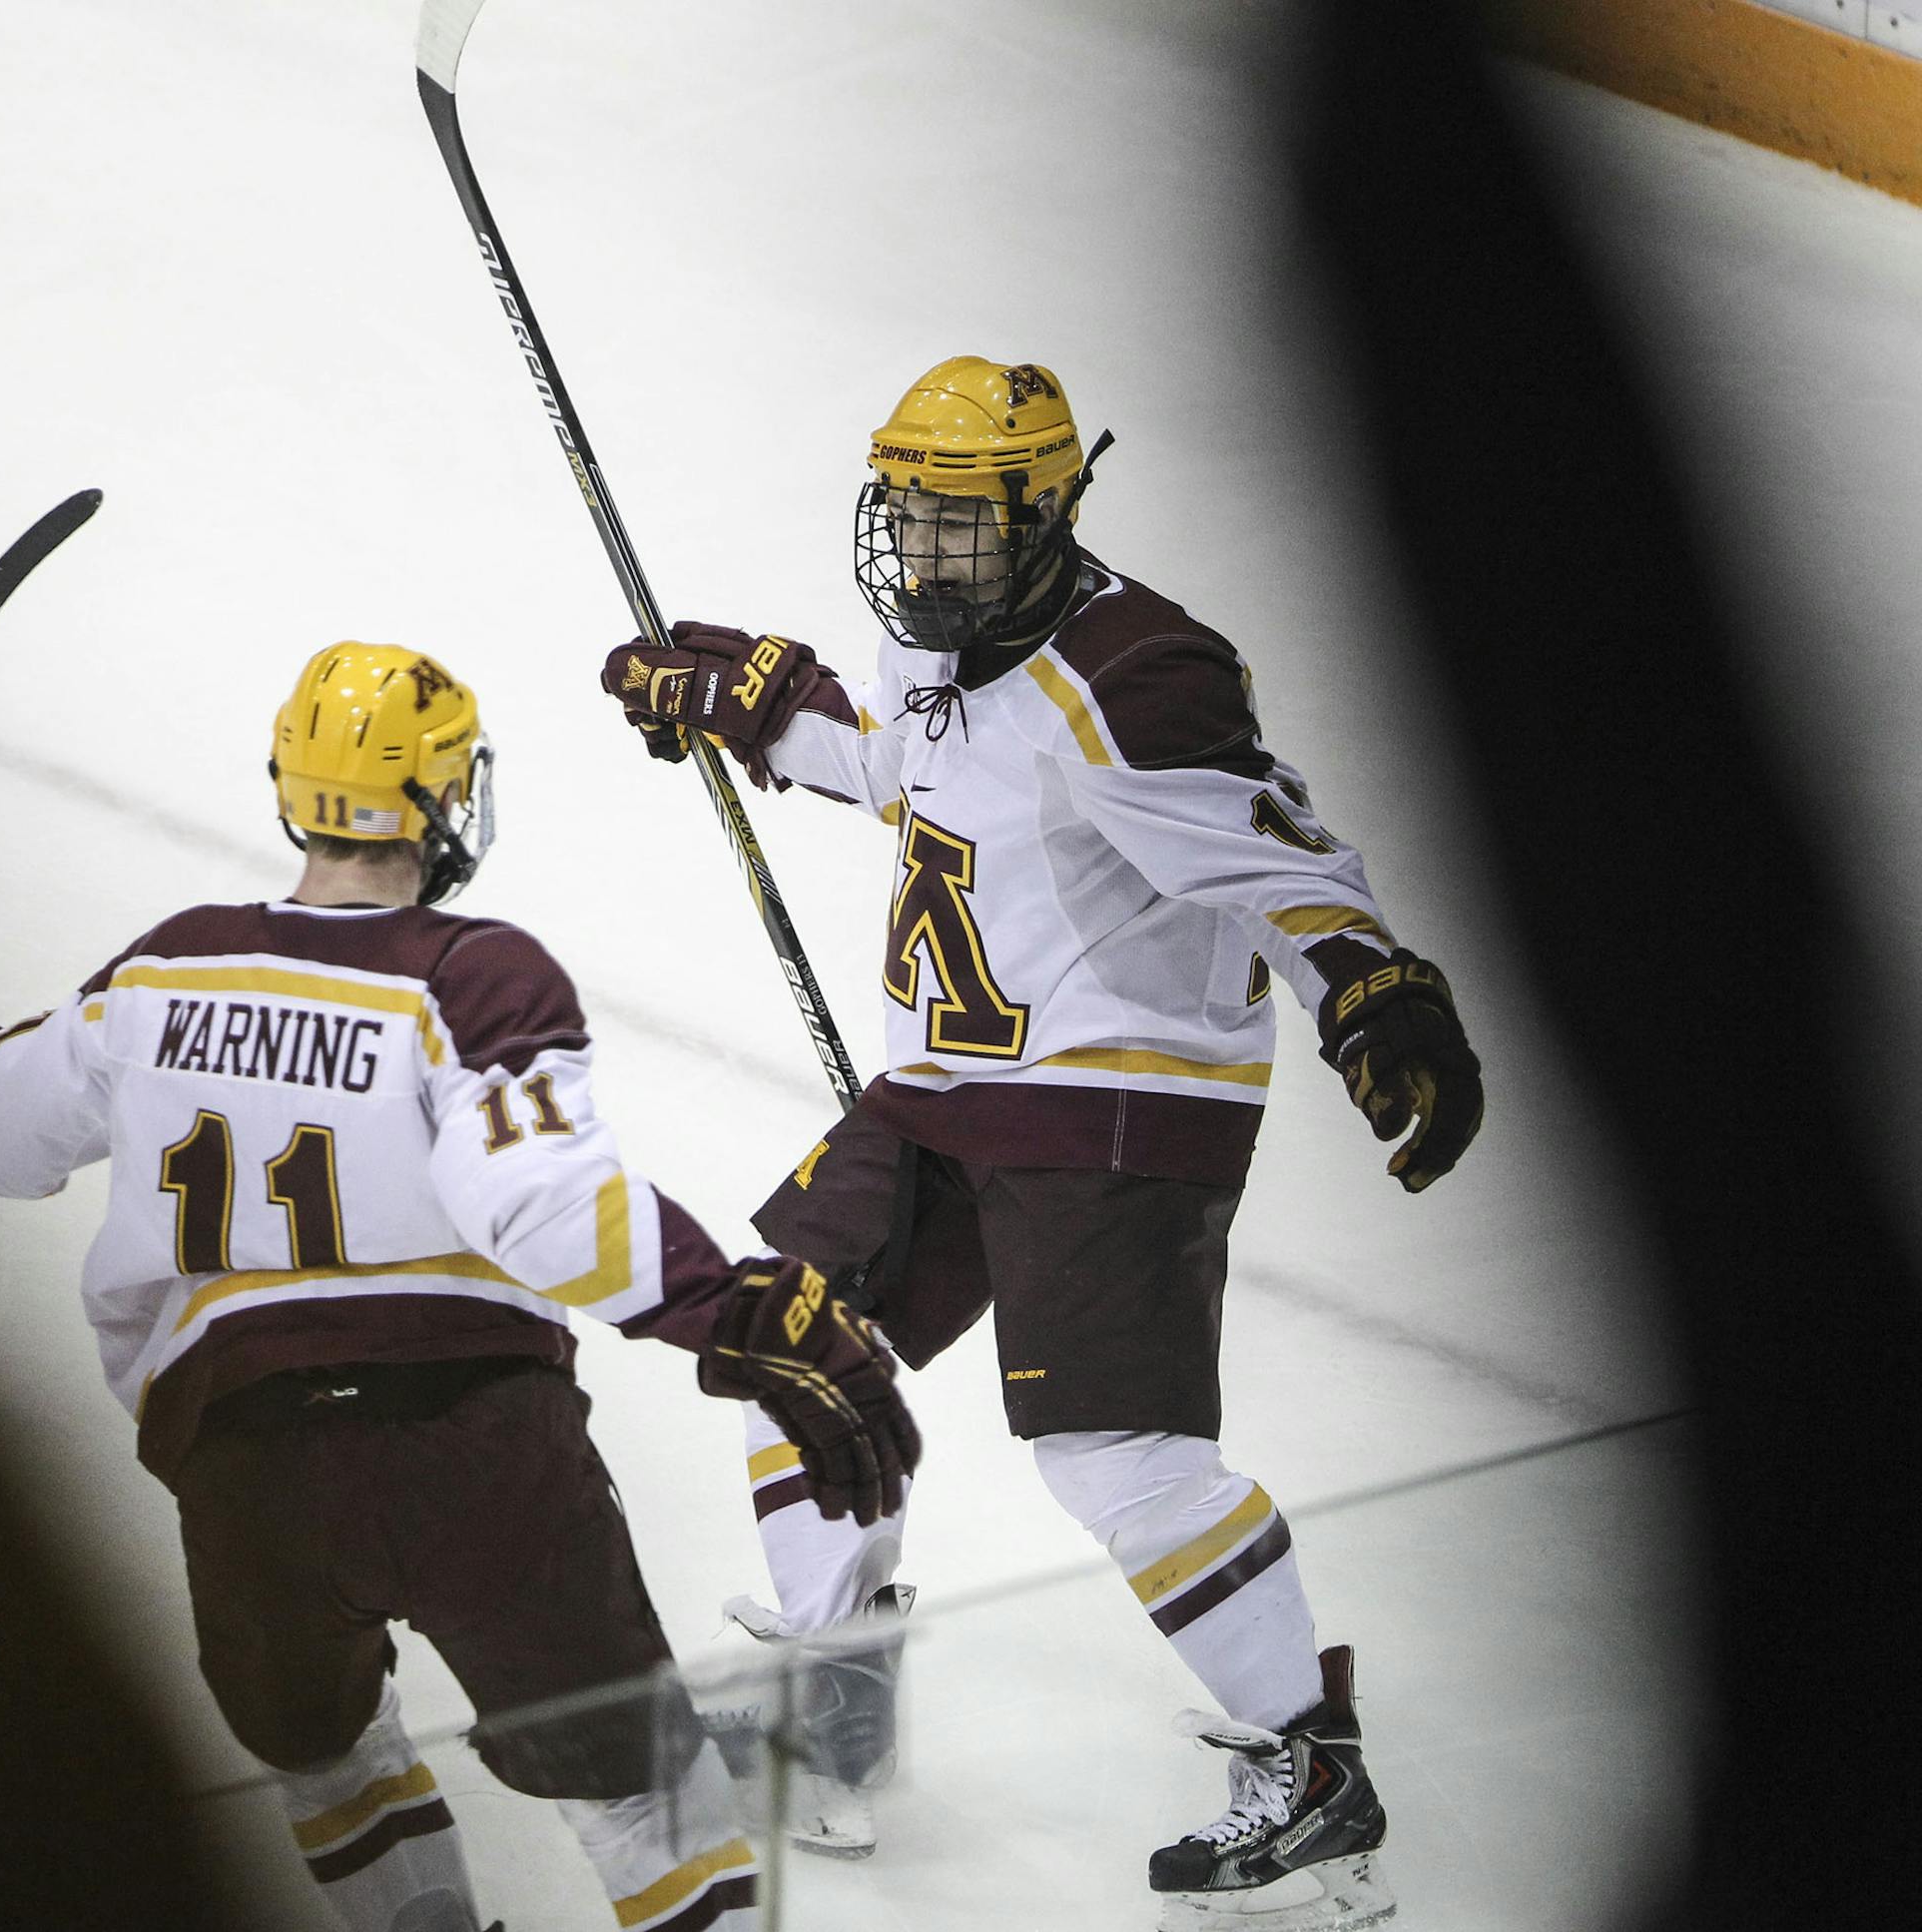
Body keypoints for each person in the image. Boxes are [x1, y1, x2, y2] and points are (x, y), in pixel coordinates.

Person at [597, 357, 1483, 1929]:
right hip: (944, 1094)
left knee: (1120, 1461)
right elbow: (904, 770)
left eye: (962, 525)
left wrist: (1369, 984)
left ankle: (1313, 1768)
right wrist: (768, 712)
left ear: (1050, 509)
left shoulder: (1138, 670)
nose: (928, 555)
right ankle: (829, 1724)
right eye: (911, 520)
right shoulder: (936, 637)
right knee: (793, 1342)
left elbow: (1269, 852)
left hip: (1118, 1108)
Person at [0, 642, 921, 1932]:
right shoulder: (470, 974)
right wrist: (738, 1312)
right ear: (435, 797)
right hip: (476, 1449)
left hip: (244, 1474)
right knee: (647, 1802)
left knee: (329, 1759)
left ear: (292, 789)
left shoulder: (164, 973)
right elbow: (541, 1205)